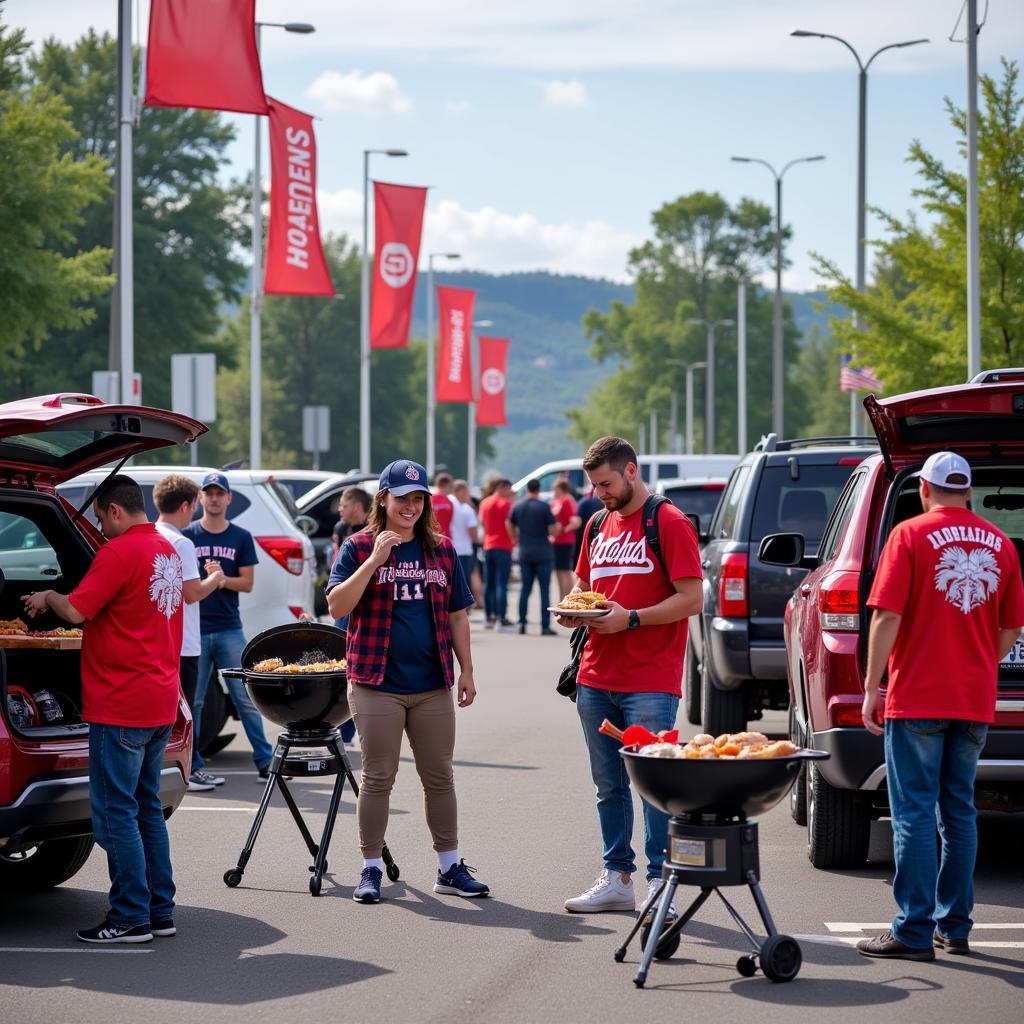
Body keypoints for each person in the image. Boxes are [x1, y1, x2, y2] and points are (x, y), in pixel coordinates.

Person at [856, 452, 1024, 961]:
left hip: (918, 698)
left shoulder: (907, 536)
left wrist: (871, 685)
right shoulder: (1001, 545)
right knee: (960, 811)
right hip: (973, 698)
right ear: (968, 491)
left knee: (912, 813)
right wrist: (979, 664)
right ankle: (955, 926)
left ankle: (912, 931)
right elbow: (1012, 628)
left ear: (924, 490)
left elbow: (886, 617)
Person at [22, 475, 184, 943]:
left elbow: (74, 612)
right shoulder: (165, 552)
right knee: (146, 809)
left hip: (120, 705)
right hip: (157, 701)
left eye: (99, 517)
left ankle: (129, 916)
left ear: (114, 510)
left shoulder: (119, 553)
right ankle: (159, 910)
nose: (99, 526)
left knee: (116, 813)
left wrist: (48, 596)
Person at [326, 459, 489, 904]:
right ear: (383, 498)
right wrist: (376, 559)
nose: (410, 507)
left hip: (433, 680)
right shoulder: (359, 547)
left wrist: (467, 670)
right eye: (402, 498)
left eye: (418, 499)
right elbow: (337, 606)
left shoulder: (441, 549)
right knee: (379, 776)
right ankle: (371, 868)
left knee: (440, 776)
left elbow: (457, 614)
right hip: (376, 681)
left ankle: (449, 866)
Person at [556, 437, 702, 915]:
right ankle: (617, 876)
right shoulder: (597, 522)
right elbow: (585, 584)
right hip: (596, 673)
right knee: (608, 785)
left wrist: (632, 618)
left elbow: (692, 598)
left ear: (632, 472)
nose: (599, 493)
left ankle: (661, 883)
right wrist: (574, 611)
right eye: (594, 485)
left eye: (606, 483)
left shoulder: (669, 522)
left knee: (654, 783)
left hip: (651, 679)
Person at [184, 472, 274, 783]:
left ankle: (265, 762)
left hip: (228, 628)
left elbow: (247, 584)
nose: (213, 498)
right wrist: (211, 581)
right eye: (208, 493)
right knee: (193, 702)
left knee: (245, 697)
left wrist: (221, 579)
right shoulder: (189, 535)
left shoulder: (240, 536)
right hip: (195, 631)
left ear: (228, 499)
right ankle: (192, 765)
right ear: (200, 498)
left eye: (219, 493)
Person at [153, 475, 226, 792]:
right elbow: (192, 592)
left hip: (158, 638)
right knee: (181, 714)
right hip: (184, 642)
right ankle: (185, 771)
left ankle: (167, 770)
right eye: (196, 502)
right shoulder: (181, 542)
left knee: (161, 715)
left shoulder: (151, 534)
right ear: (186, 505)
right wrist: (216, 577)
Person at [509, 478, 560, 635]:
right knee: (544, 590)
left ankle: (522, 623)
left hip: (525, 551)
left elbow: (509, 523)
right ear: (538, 489)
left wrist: (515, 538)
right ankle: (545, 625)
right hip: (543, 552)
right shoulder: (544, 506)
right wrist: (553, 534)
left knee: (525, 589)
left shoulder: (518, 506)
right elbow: (553, 528)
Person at [479, 478, 515, 631]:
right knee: (501, 584)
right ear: (504, 488)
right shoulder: (506, 503)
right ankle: (501, 617)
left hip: (488, 545)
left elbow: (481, 522)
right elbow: (510, 524)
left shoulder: (485, 502)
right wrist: (514, 539)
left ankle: (489, 617)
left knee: (489, 584)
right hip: (503, 546)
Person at [451, 479, 484, 610]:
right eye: (466, 492)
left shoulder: (450, 504)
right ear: (461, 491)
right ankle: (465, 606)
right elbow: (473, 532)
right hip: (465, 549)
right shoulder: (467, 509)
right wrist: (478, 541)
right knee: (465, 580)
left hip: (452, 548)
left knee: (453, 579)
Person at [551, 478, 582, 601]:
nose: (554, 491)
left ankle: (568, 599)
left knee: (565, 572)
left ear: (562, 489)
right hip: (557, 541)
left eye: (556, 489)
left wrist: (564, 529)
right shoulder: (556, 501)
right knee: (559, 572)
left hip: (565, 541)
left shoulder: (567, 500)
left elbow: (575, 521)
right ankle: (562, 598)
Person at [332, 486, 372, 560]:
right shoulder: (340, 528)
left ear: (356, 507)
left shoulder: (373, 528)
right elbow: (336, 560)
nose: (339, 509)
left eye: (344, 506)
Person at [573, 486, 604, 567]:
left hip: (586, 536)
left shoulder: (583, 503)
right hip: (603, 536)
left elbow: (577, 521)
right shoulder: (605, 504)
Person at [431, 472, 457, 541]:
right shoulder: (450, 502)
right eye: (451, 486)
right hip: (445, 538)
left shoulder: (429, 499)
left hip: (432, 538)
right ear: (447, 485)